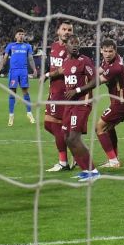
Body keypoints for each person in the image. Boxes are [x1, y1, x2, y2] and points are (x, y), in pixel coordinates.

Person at [59, 34, 99, 182]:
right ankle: (85, 170)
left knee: (74, 138)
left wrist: (77, 90)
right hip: (69, 104)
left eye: (77, 43)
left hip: (82, 103)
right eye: (72, 43)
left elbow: (95, 81)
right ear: (66, 45)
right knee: (66, 138)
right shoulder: (66, 62)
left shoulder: (84, 61)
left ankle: (93, 171)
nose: (75, 45)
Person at [94, 39, 124, 168]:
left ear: (115, 51)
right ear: (101, 50)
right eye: (105, 51)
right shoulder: (108, 60)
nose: (107, 54)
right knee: (109, 128)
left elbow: (97, 81)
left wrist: (79, 87)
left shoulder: (115, 66)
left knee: (99, 127)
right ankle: (114, 159)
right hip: (123, 99)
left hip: (122, 101)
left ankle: (113, 161)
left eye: (110, 51)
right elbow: (98, 71)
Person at [43, 20, 75, 171]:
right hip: (53, 91)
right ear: (58, 31)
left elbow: (64, 69)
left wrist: (47, 75)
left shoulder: (71, 49)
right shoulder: (54, 46)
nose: (67, 32)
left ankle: (63, 162)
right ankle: (75, 148)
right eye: (64, 29)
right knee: (48, 125)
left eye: (69, 30)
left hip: (63, 92)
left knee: (56, 125)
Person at [0, 29, 38, 126]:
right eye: (19, 34)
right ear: (16, 36)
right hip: (13, 71)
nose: (21, 36)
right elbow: (5, 58)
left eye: (23, 34)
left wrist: (34, 69)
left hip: (23, 71)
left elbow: (30, 59)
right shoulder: (11, 45)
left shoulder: (27, 46)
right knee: (12, 93)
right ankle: (11, 116)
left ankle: (29, 113)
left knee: (25, 92)